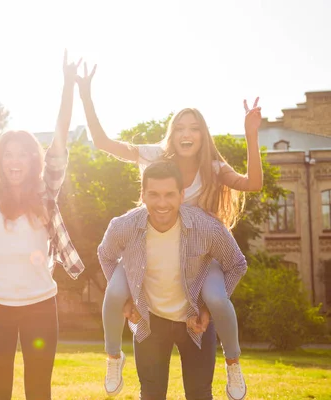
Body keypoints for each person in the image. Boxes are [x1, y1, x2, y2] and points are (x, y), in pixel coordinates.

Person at [77, 63, 261, 400]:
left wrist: (251, 134)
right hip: (152, 250)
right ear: (171, 134)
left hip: (199, 258)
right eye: (180, 127)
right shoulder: (154, 156)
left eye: (195, 127)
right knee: (115, 293)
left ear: (203, 135)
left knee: (218, 299)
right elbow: (102, 142)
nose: (187, 133)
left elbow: (253, 183)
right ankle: (112, 356)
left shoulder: (213, 168)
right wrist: (85, 93)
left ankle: (233, 363)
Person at [0, 44, 85, 400]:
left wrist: (68, 85)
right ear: (0, 160)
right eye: (8, 154)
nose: (14, 161)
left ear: (33, 160)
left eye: (22, 155)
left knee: (38, 389)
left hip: (40, 305)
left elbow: (60, 138)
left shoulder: (47, 192)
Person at [98, 160, 248, 400]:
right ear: (143, 195)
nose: (162, 203)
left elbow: (237, 264)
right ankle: (113, 357)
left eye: (169, 195)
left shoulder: (206, 227)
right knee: (151, 394)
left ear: (181, 195)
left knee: (199, 394)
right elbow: (105, 255)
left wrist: (208, 308)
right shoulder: (123, 226)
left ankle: (233, 363)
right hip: (150, 321)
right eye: (154, 195)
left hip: (193, 321)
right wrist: (126, 302)